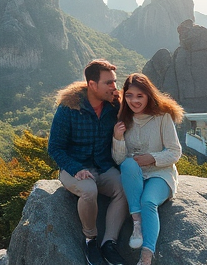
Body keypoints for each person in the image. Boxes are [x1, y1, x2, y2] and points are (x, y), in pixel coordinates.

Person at [48, 59, 128, 265]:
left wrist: (121, 105)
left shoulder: (112, 107)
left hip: (103, 166)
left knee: (125, 187)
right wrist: (76, 168)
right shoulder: (68, 108)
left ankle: (109, 243)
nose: (114, 87)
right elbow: (55, 147)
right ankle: (90, 240)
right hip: (74, 168)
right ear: (92, 84)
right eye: (108, 82)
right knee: (89, 190)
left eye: (115, 82)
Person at [112, 73, 184, 265]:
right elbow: (120, 160)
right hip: (135, 174)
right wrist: (118, 138)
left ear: (148, 95)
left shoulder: (162, 117)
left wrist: (152, 158)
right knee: (128, 164)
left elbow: (175, 152)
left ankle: (146, 257)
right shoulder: (123, 119)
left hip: (160, 173)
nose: (134, 101)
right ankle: (137, 223)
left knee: (149, 202)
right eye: (129, 95)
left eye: (139, 96)